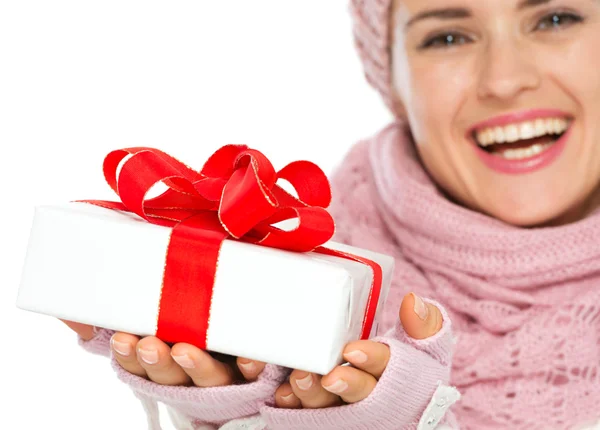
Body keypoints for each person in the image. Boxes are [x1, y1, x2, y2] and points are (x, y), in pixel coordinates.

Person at [62, 0, 600, 428]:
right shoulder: (296, 259)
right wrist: (227, 421)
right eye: (448, 36)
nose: (503, 80)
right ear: (390, 77)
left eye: (556, 18)